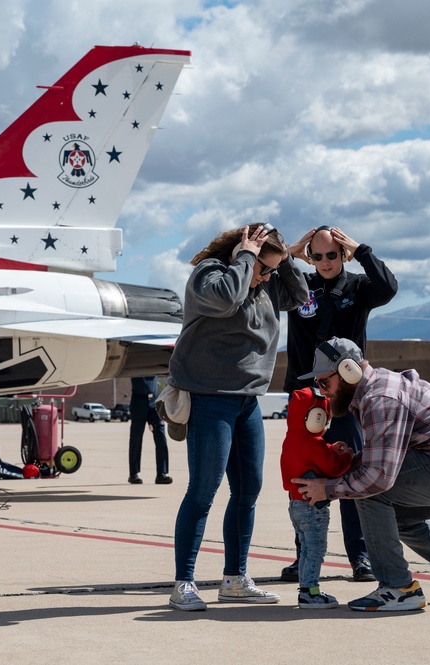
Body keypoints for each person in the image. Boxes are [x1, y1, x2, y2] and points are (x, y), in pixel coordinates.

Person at [292, 338, 430, 612]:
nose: (323, 392)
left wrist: (328, 489)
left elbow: (378, 477)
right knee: (398, 516)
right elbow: (386, 456)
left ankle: (397, 588)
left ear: (349, 371)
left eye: (325, 382)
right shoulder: (373, 391)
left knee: (372, 490)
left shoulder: (381, 398)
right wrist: (347, 461)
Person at [166, 223, 309, 611]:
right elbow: (227, 300)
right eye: (263, 268)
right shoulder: (210, 276)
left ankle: (235, 578)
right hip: (211, 397)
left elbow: (299, 297)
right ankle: (183, 583)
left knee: (248, 491)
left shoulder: (265, 282)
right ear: (243, 252)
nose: (265, 277)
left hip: (248, 401)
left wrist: (287, 261)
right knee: (203, 490)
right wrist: (246, 258)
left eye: (270, 271)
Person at [281, 225, 398, 584]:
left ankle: (359, 556)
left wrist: (361, 250)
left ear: (342, 254)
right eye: (317, 255)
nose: (325, 261)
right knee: (305, 476)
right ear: (308, 257)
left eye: (332, 254)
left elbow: (389, 288)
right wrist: (288, 254)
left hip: (345, 396)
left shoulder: (359, 289)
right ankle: (305, 558)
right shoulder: (298, 286)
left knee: (351, 470)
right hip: (305, 395)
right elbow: (269, 277)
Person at [280, 387, 353, 609]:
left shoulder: (292, 439)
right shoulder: (314, 443)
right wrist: (347, 456)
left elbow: (309, 457)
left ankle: (306, 588)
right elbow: (332, 468)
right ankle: (310, 592)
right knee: (316, 550)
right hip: (313, 507)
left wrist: (330, 447)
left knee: (305, 549)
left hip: (295, 504)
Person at [128, 376, 172, 485]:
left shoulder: (152, 360)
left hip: (154, 400)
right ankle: (133, 474)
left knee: (161, 436)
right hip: (138, 400)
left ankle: (161, 474)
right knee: (136, 437)